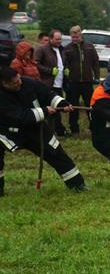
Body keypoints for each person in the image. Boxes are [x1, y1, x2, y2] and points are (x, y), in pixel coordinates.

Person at [0, 67, 87, 196]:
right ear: (4, 83)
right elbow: (19, 117)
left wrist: (62, 104)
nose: (20, 83)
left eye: (19, 79)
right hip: (8, 131)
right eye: (15, 82)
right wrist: (45, 111)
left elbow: (48, 94)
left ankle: (78, 185)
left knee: (56, 152)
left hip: (36, 128)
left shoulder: (28, 82)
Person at [65, 25, 101, 136]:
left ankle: (94, 127)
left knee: (90, 106)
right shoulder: (68, 48)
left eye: (77, 36)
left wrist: (97, 77)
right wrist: (67, 77)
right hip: (73, 82)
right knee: (73, 106)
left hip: (87, 81)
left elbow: (95, 62)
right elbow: (64, 64)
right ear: (71, 36)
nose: (75, 39)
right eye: (73, 37)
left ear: (81, 35)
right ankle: (74, 129)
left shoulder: (89, 47)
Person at [33, 30, 67, 137]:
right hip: (48, 85)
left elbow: (62, 64)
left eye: (60, 39)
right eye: (57, 39)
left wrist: (66, 70)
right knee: (49, 110)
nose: (59, 41)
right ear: (51, 38)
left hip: (59, 84)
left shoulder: (61, 49)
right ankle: (48, 133)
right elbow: (35, 64)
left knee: (58, 109)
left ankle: (58, 131)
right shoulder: (42, 49)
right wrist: (49, 71)